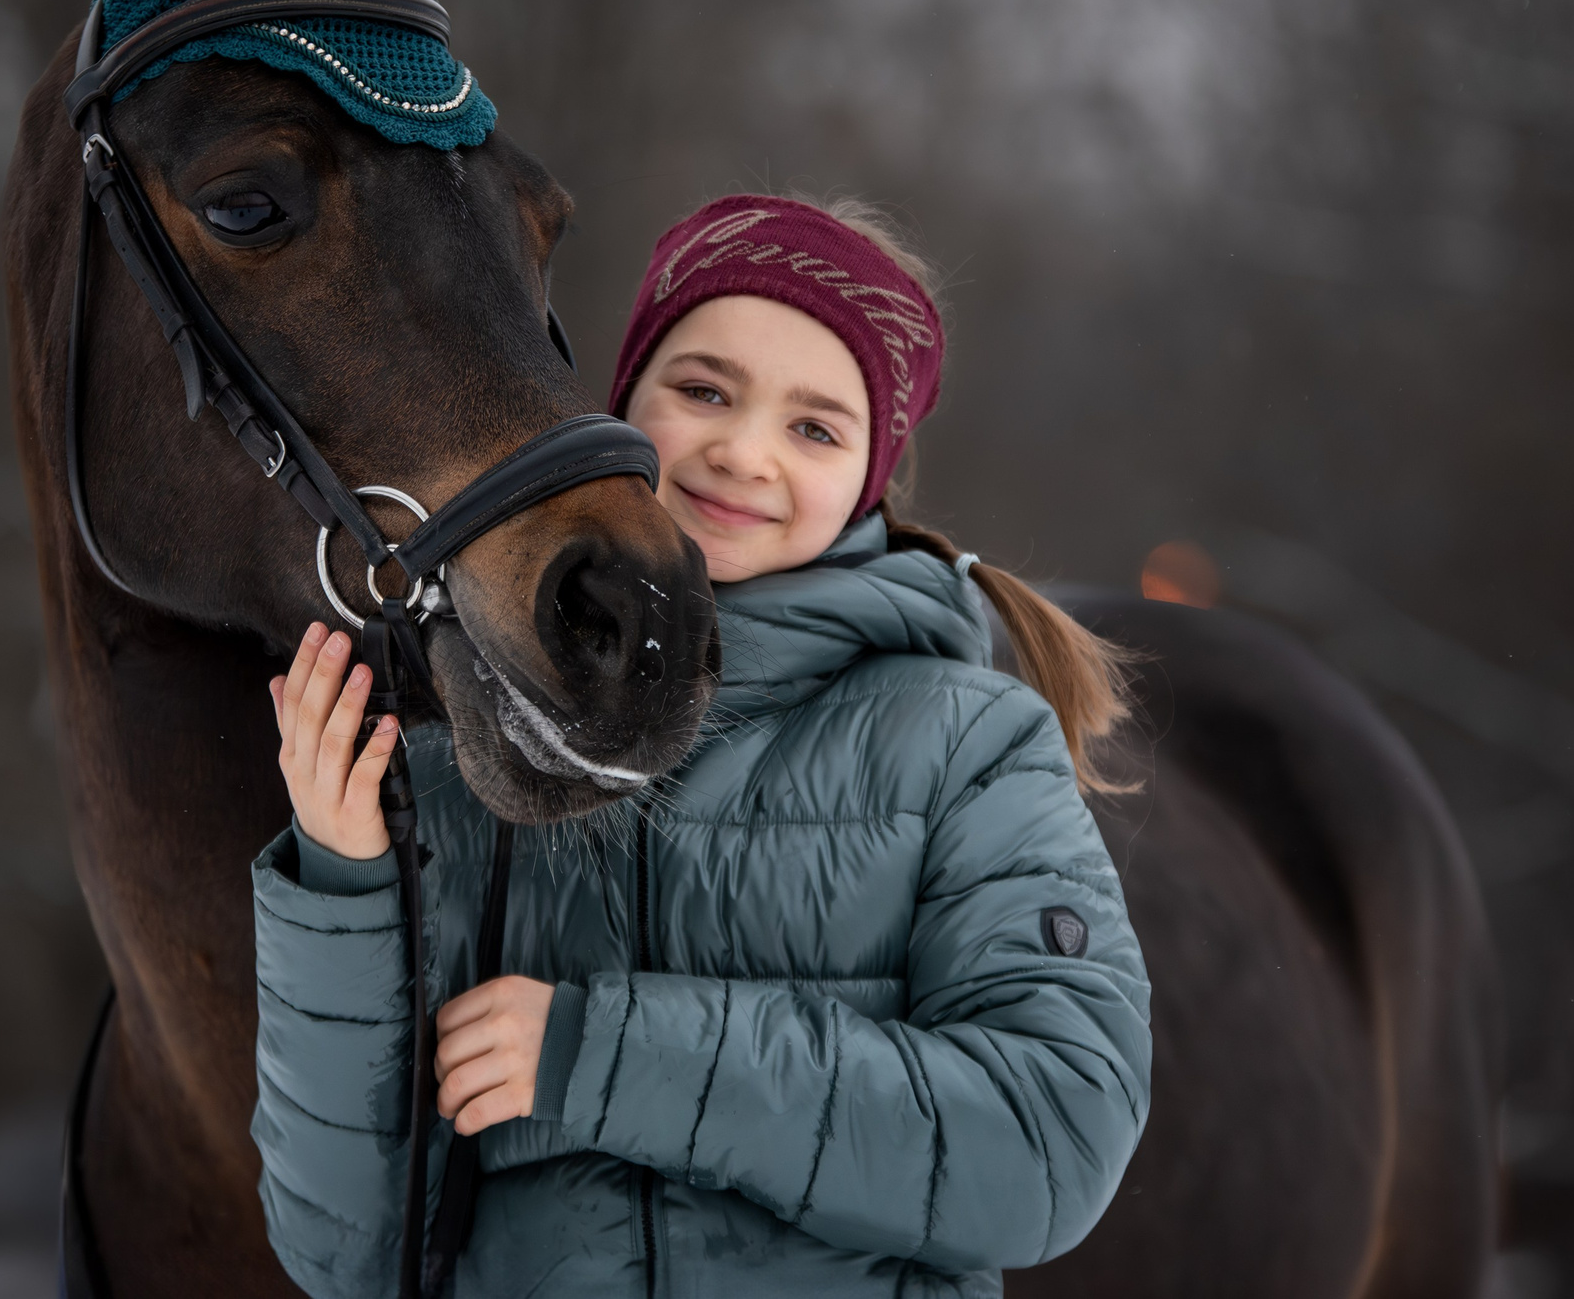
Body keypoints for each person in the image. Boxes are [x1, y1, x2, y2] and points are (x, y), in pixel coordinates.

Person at [251, 194, 1152, 1298]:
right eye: (702, 390)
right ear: (617, 404)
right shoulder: (473, 737)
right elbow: (348, 1251)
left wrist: (605, 1058)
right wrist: (341, 887)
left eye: (814, 426)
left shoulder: (964, 742)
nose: (741, 450)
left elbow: (1048, 1144)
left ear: (872, 474)